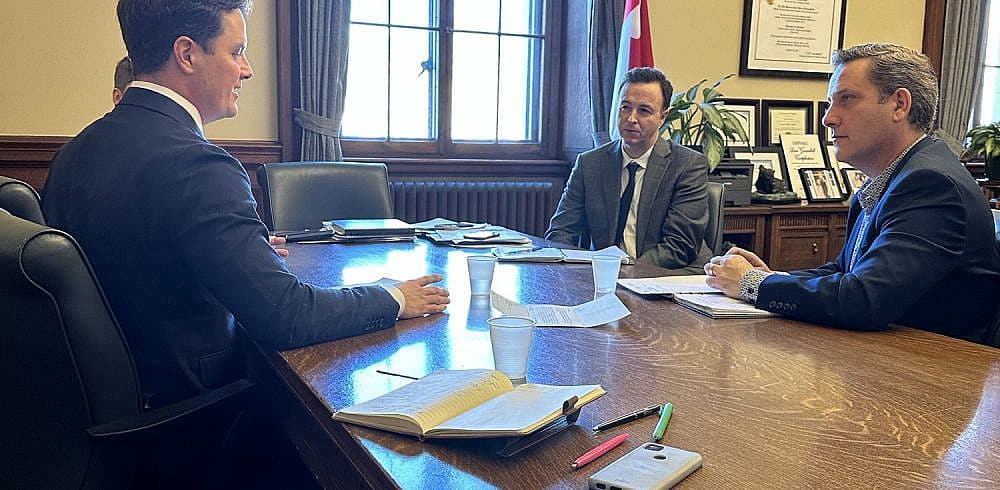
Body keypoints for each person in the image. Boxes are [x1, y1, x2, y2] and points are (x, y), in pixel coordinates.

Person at [42, 0, 450, 409]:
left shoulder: (74, 152)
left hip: (106, 405)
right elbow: (287, 316)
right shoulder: (198, 165)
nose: (248, 68)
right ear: (187, 54)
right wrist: (394, 298)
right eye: (236, 51)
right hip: (199, 413)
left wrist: (235, 253)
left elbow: (134, 258)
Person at [705, 43, 1000, 341]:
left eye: (847, 99)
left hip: (933, 375)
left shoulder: (932, 184)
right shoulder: (895, 177)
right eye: (831, 102)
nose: (828, 118)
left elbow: (863, 299)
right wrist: (772, 279)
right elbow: (845, 272)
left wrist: (751, 284)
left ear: (899, 104)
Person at [545, 67, 711, 273]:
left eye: (644, 110)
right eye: (625, 107)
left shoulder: (687, 165)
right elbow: (561, 231)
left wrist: (623, 272)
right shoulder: (590, 164)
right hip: (604, 276)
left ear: (662, 117)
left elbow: (680, 246)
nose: (631, 118)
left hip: (667, 276)